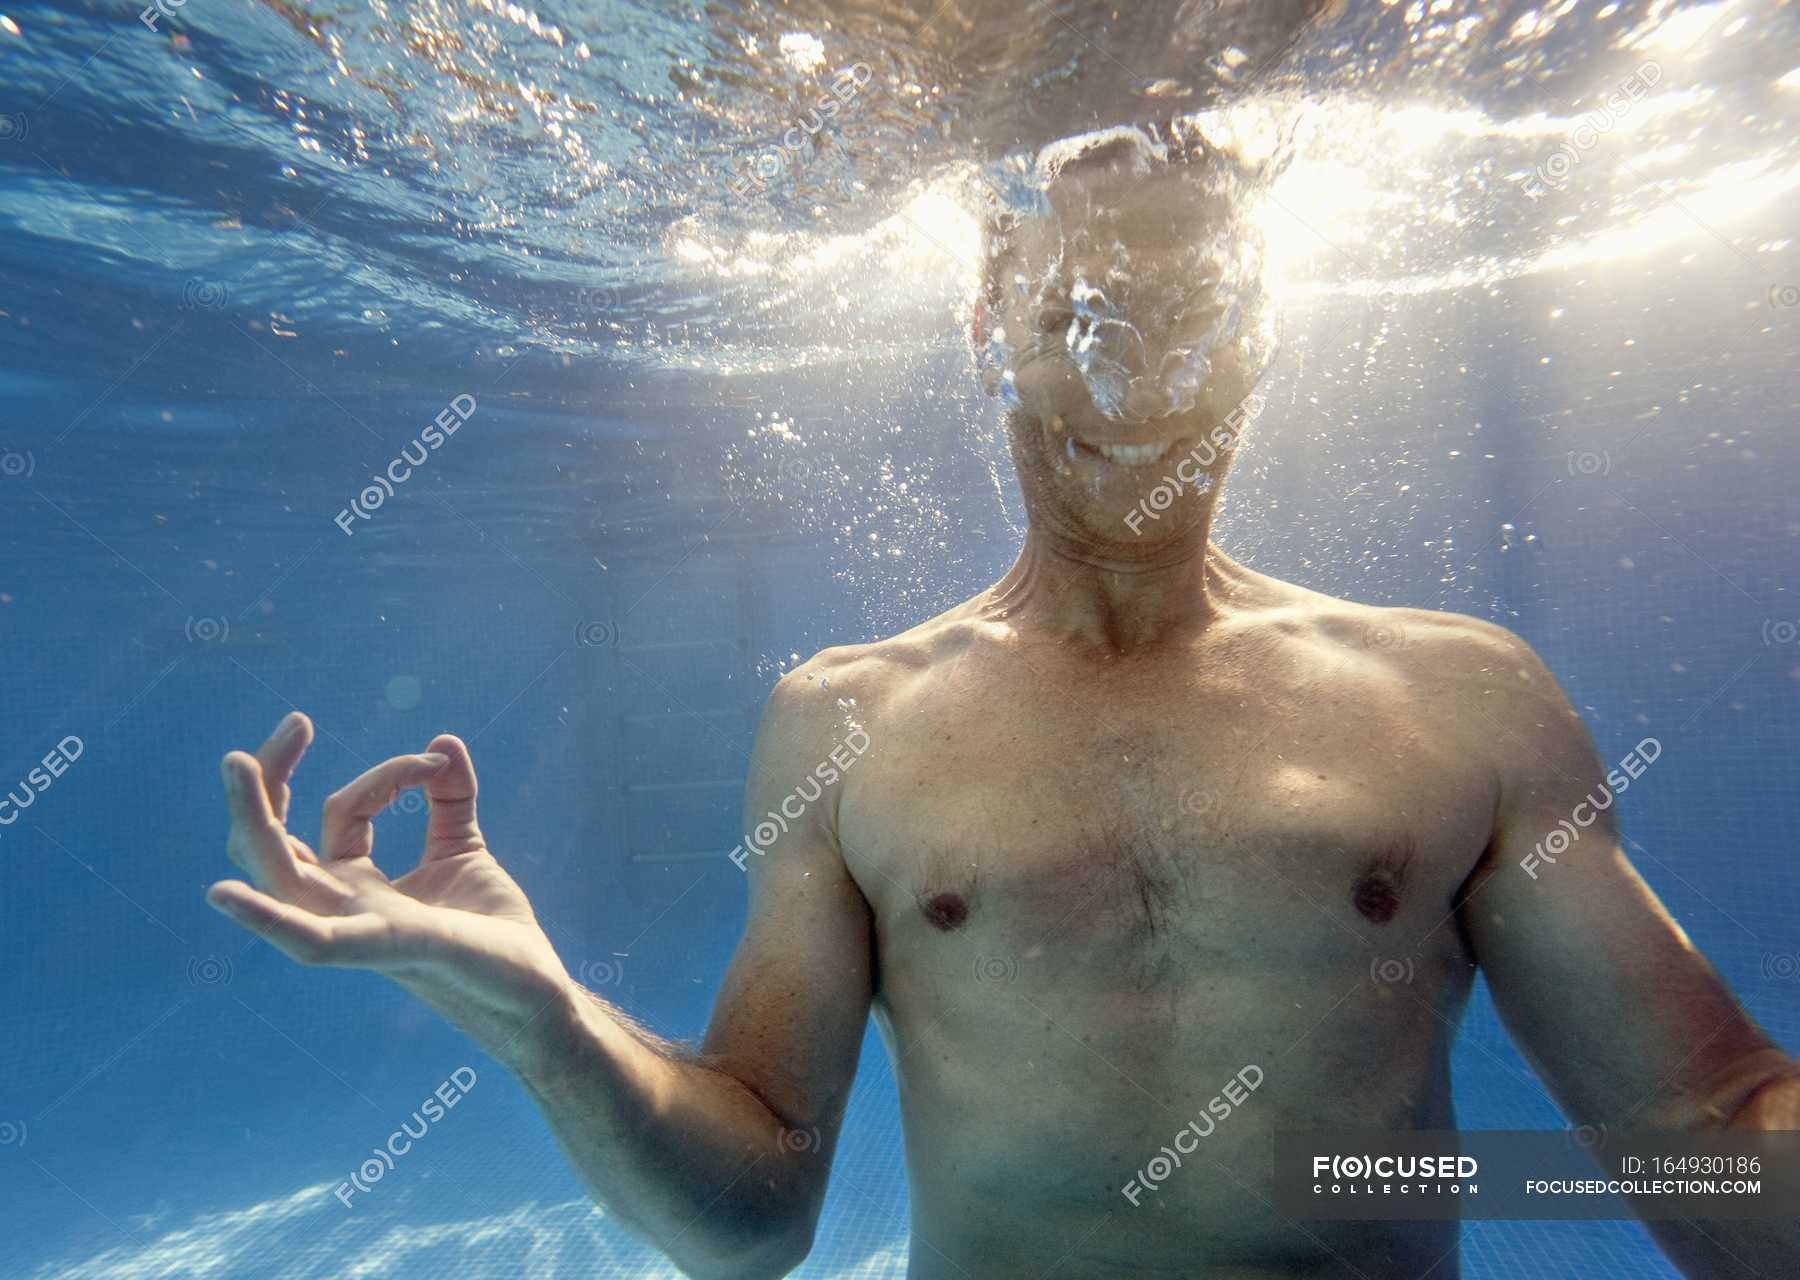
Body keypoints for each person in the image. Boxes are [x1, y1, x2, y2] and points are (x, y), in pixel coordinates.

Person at [210, 125, 1798, 1279]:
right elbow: (755, 1213)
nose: (1140, 373)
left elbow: (1710, 1146)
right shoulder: (846, 719)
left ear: (1263, 338)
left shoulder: (1461, 698)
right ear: (991, 321)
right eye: (1084, 315)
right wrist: (545, 1022)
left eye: (1190, 312)